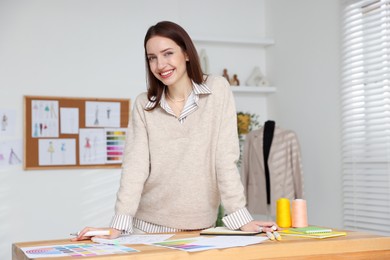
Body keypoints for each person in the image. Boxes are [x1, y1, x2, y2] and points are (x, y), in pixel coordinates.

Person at [73, 21, 277, 241]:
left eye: (167, 53)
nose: (160, 64)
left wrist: (240, 218)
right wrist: (119, 224)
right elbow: (135, 168)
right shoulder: (144, 105)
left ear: (187, 53)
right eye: (152, 57)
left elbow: (225, 159)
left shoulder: (218, 90)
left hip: (201, 229)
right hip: (148, 229)